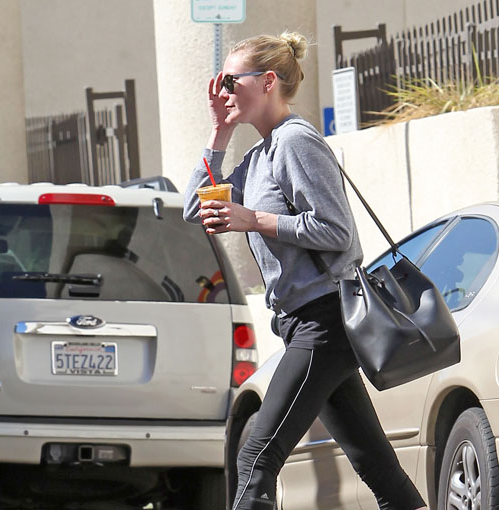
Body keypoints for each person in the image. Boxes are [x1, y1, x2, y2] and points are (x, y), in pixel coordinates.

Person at [183, 31, 427, 510]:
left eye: (232, 80)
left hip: (325, 321)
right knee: (376, 466)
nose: (224, 91)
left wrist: (254, 219)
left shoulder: (297, 142)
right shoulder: (258, 157)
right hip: (301, 322)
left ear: (269, 80)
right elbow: (195, 208)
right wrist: (219, 133)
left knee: (257, 452)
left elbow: (337, 232)